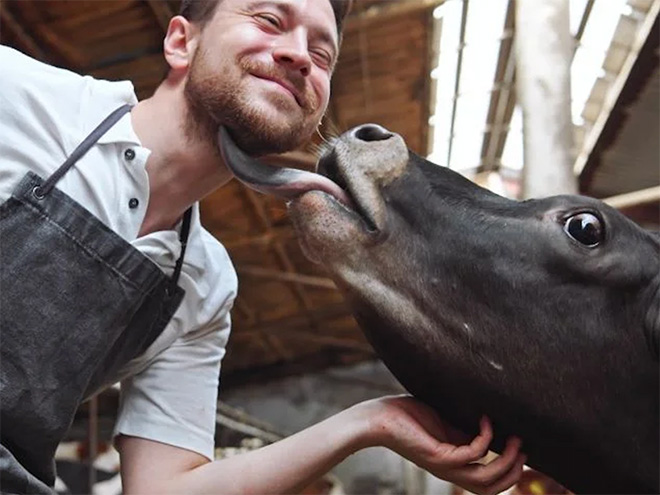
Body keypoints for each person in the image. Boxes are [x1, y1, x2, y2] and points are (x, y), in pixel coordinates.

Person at [0, 0, 526, 493]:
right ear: (181, 42)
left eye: (322, 55)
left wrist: (369, 422)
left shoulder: (204, 285)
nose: (300, 55)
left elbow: (163, 487)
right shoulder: (17, 95)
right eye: (270, 19)